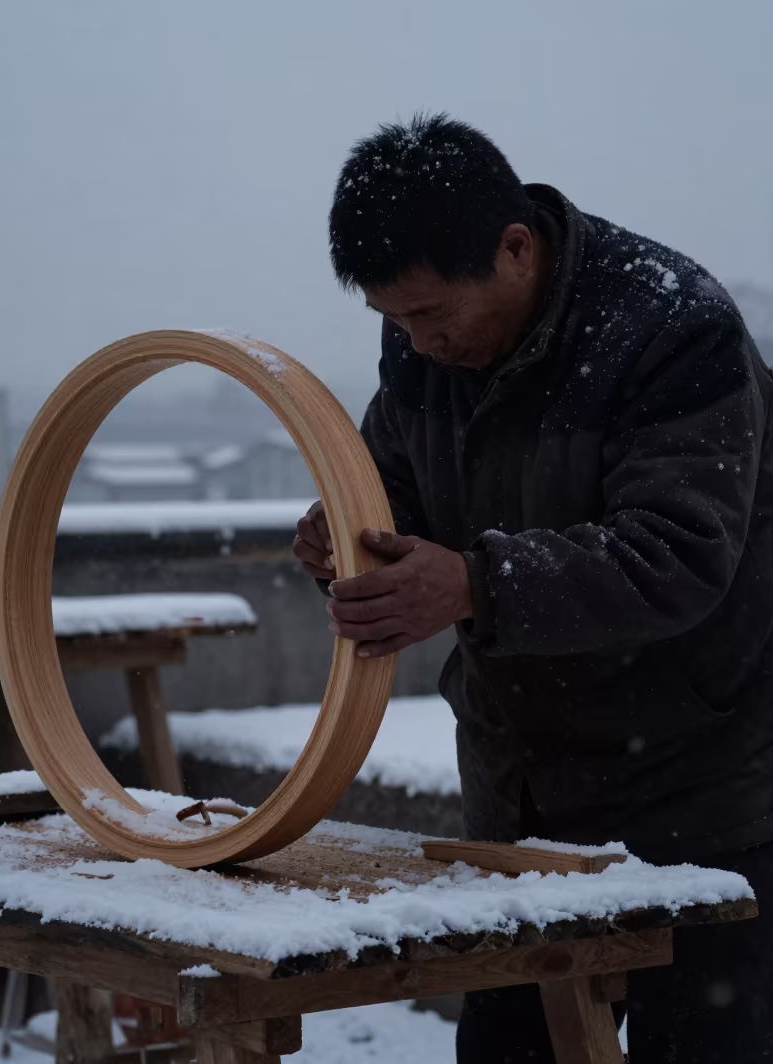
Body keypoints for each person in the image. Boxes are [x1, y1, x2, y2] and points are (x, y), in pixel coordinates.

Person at [293, 114, 773, 1062]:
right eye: (395, 322)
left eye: (433, 314)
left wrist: (476, 582)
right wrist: (349, 543)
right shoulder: (423, 348)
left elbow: (678, 554)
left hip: (699, 792)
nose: (418, 343)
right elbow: (393, 492)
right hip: (517, 800)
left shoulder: (673, 327)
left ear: (515, 248)